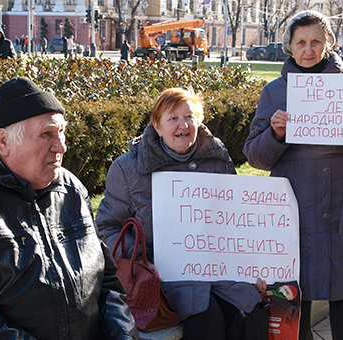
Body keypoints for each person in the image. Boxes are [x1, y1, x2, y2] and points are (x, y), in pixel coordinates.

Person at [0, 77, 139, 340]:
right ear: (3, 141)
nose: (61, 146)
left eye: (62, 131)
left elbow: (106, 282)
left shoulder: (71, 189)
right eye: (46, 134)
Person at [242, 10, 343, 340]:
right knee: (292, 300)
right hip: (291, 211)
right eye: (301, 43)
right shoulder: (274, 92)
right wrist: (275, 134)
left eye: (316, 42)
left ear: (328, 44)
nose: (308, 50)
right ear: (289, 47)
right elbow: (255, 156)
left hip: (341, 206)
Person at [96, 88, 270, 340]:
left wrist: (252, 265)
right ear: (157, 126)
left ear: (198, 121)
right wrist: (142, 260)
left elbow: (236, 219)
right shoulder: (128, 168)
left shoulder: (217, 157)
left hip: (218, 266)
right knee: (206, 321)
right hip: (165, 275)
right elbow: (108, 227)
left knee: (251, 312)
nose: (183, 125)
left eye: (189, 117)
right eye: (173, 118)